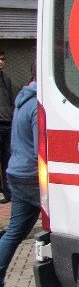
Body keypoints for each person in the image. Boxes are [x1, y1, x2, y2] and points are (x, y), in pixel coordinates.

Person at [0, 72, 39, 287]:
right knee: (64, 226)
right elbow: (40, 149)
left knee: (15, 231)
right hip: (31, 177)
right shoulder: (36, 106)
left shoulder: (22, 100)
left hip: (16, 172)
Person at [0, 51, 13, 204]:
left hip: (7, 123)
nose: (1, 62)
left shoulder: (7, 79)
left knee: (7, 159)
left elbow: (10, 100)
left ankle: (8, 192)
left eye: (3, 59)